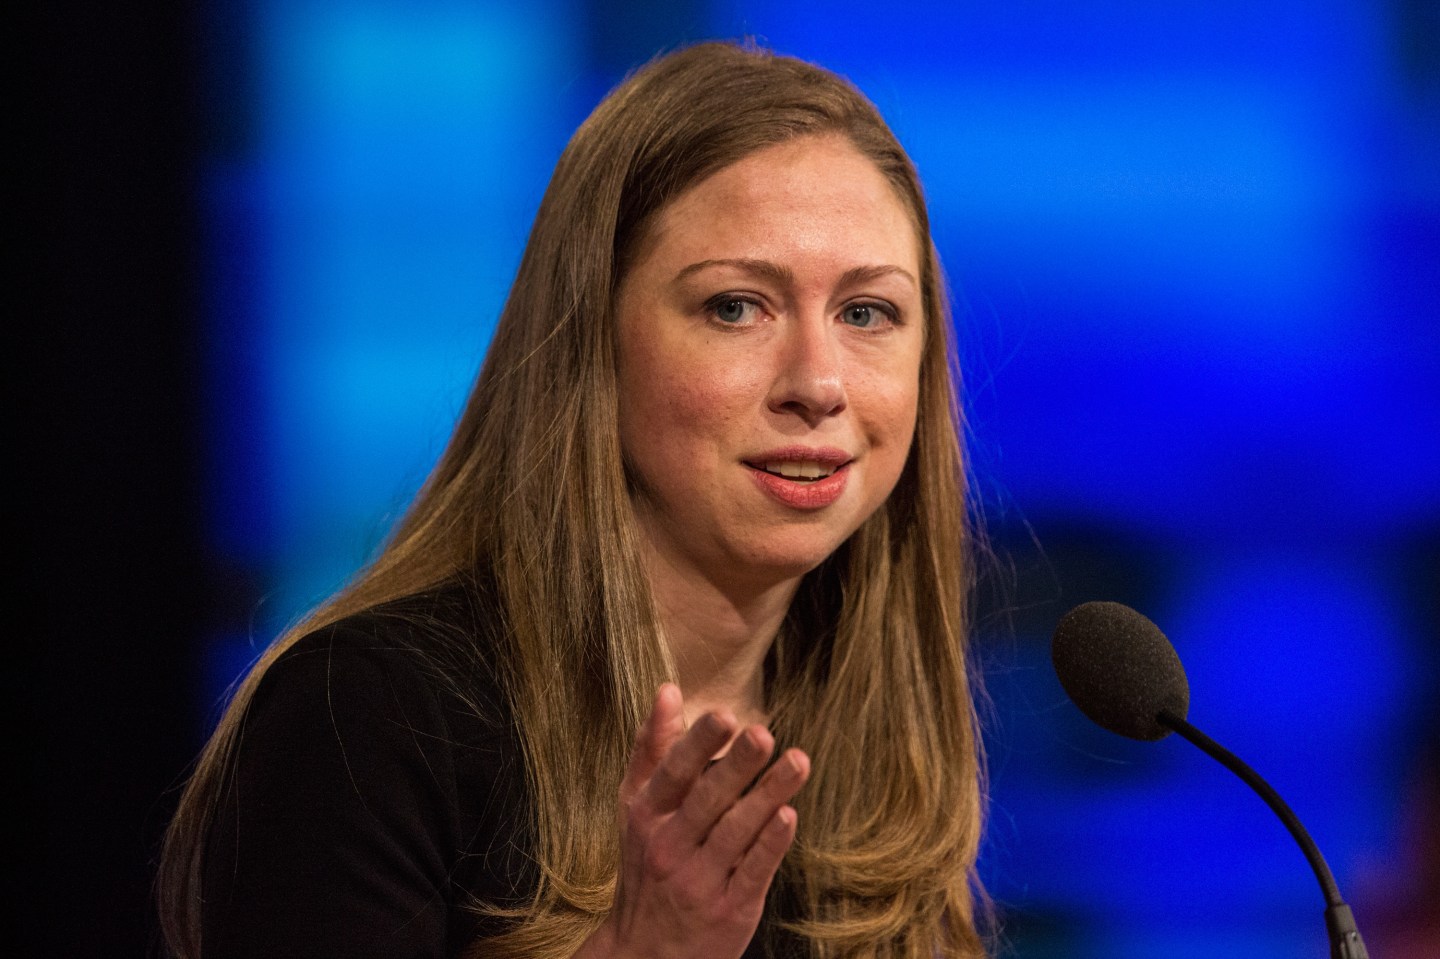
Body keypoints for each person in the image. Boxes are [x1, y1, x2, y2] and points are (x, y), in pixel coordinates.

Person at [157, 40, 988, 959]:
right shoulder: (369, 716)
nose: (817, 383)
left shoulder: (875, 747)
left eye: (866, 313)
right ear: (593, 341)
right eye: (736, 307)